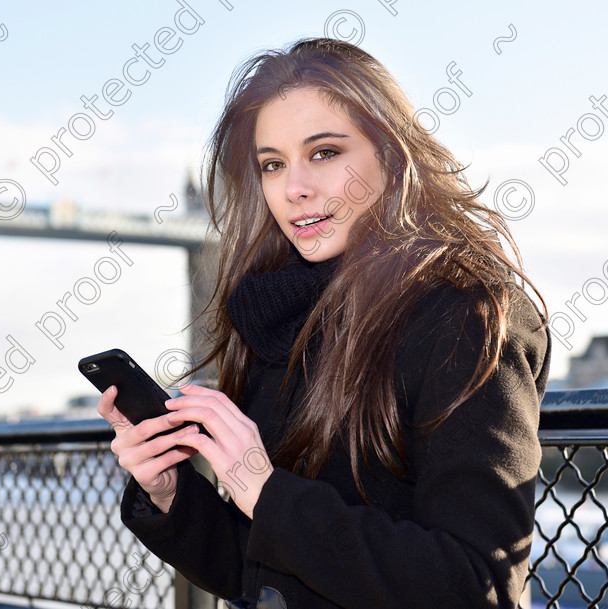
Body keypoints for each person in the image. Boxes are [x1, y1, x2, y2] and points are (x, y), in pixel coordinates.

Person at [96, 37, 551, 609]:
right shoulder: (276, 315)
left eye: (325, 153)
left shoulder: (465, 314)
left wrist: (264, 489)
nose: (293, 189)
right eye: (272, 164)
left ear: (391, 153)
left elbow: (475, 585)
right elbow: (263, 573)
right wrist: (169, 494)